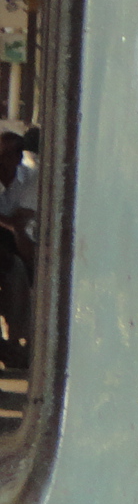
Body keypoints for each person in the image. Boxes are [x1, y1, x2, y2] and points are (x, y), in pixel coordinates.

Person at [0, 128, 37, 364]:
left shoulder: (30, 178)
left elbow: (23, 220)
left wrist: (13, 227)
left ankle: (16, 340)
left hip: (19, 240)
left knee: (20, 271)